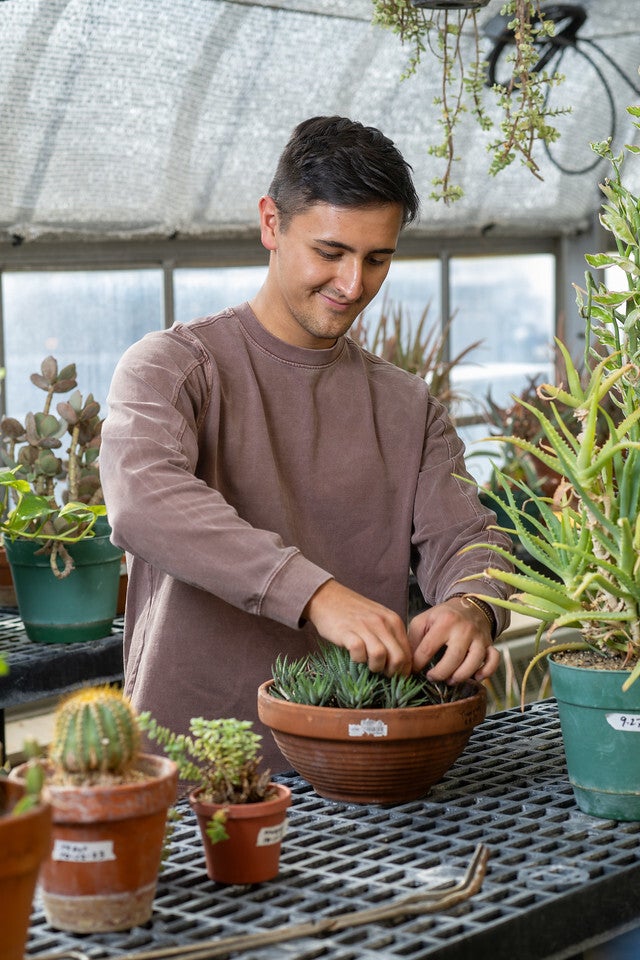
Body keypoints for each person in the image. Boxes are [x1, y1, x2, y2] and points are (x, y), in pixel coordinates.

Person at [100, 115, 513, 773]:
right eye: (330, 252)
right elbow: (143, 500)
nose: (354, 286)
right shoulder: (176, 367)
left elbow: (469, 538)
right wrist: (314, 593)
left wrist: (472, 606)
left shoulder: (407, 407)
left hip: (359, 774)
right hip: (194, 779)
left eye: (377, 258)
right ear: (272, 223)